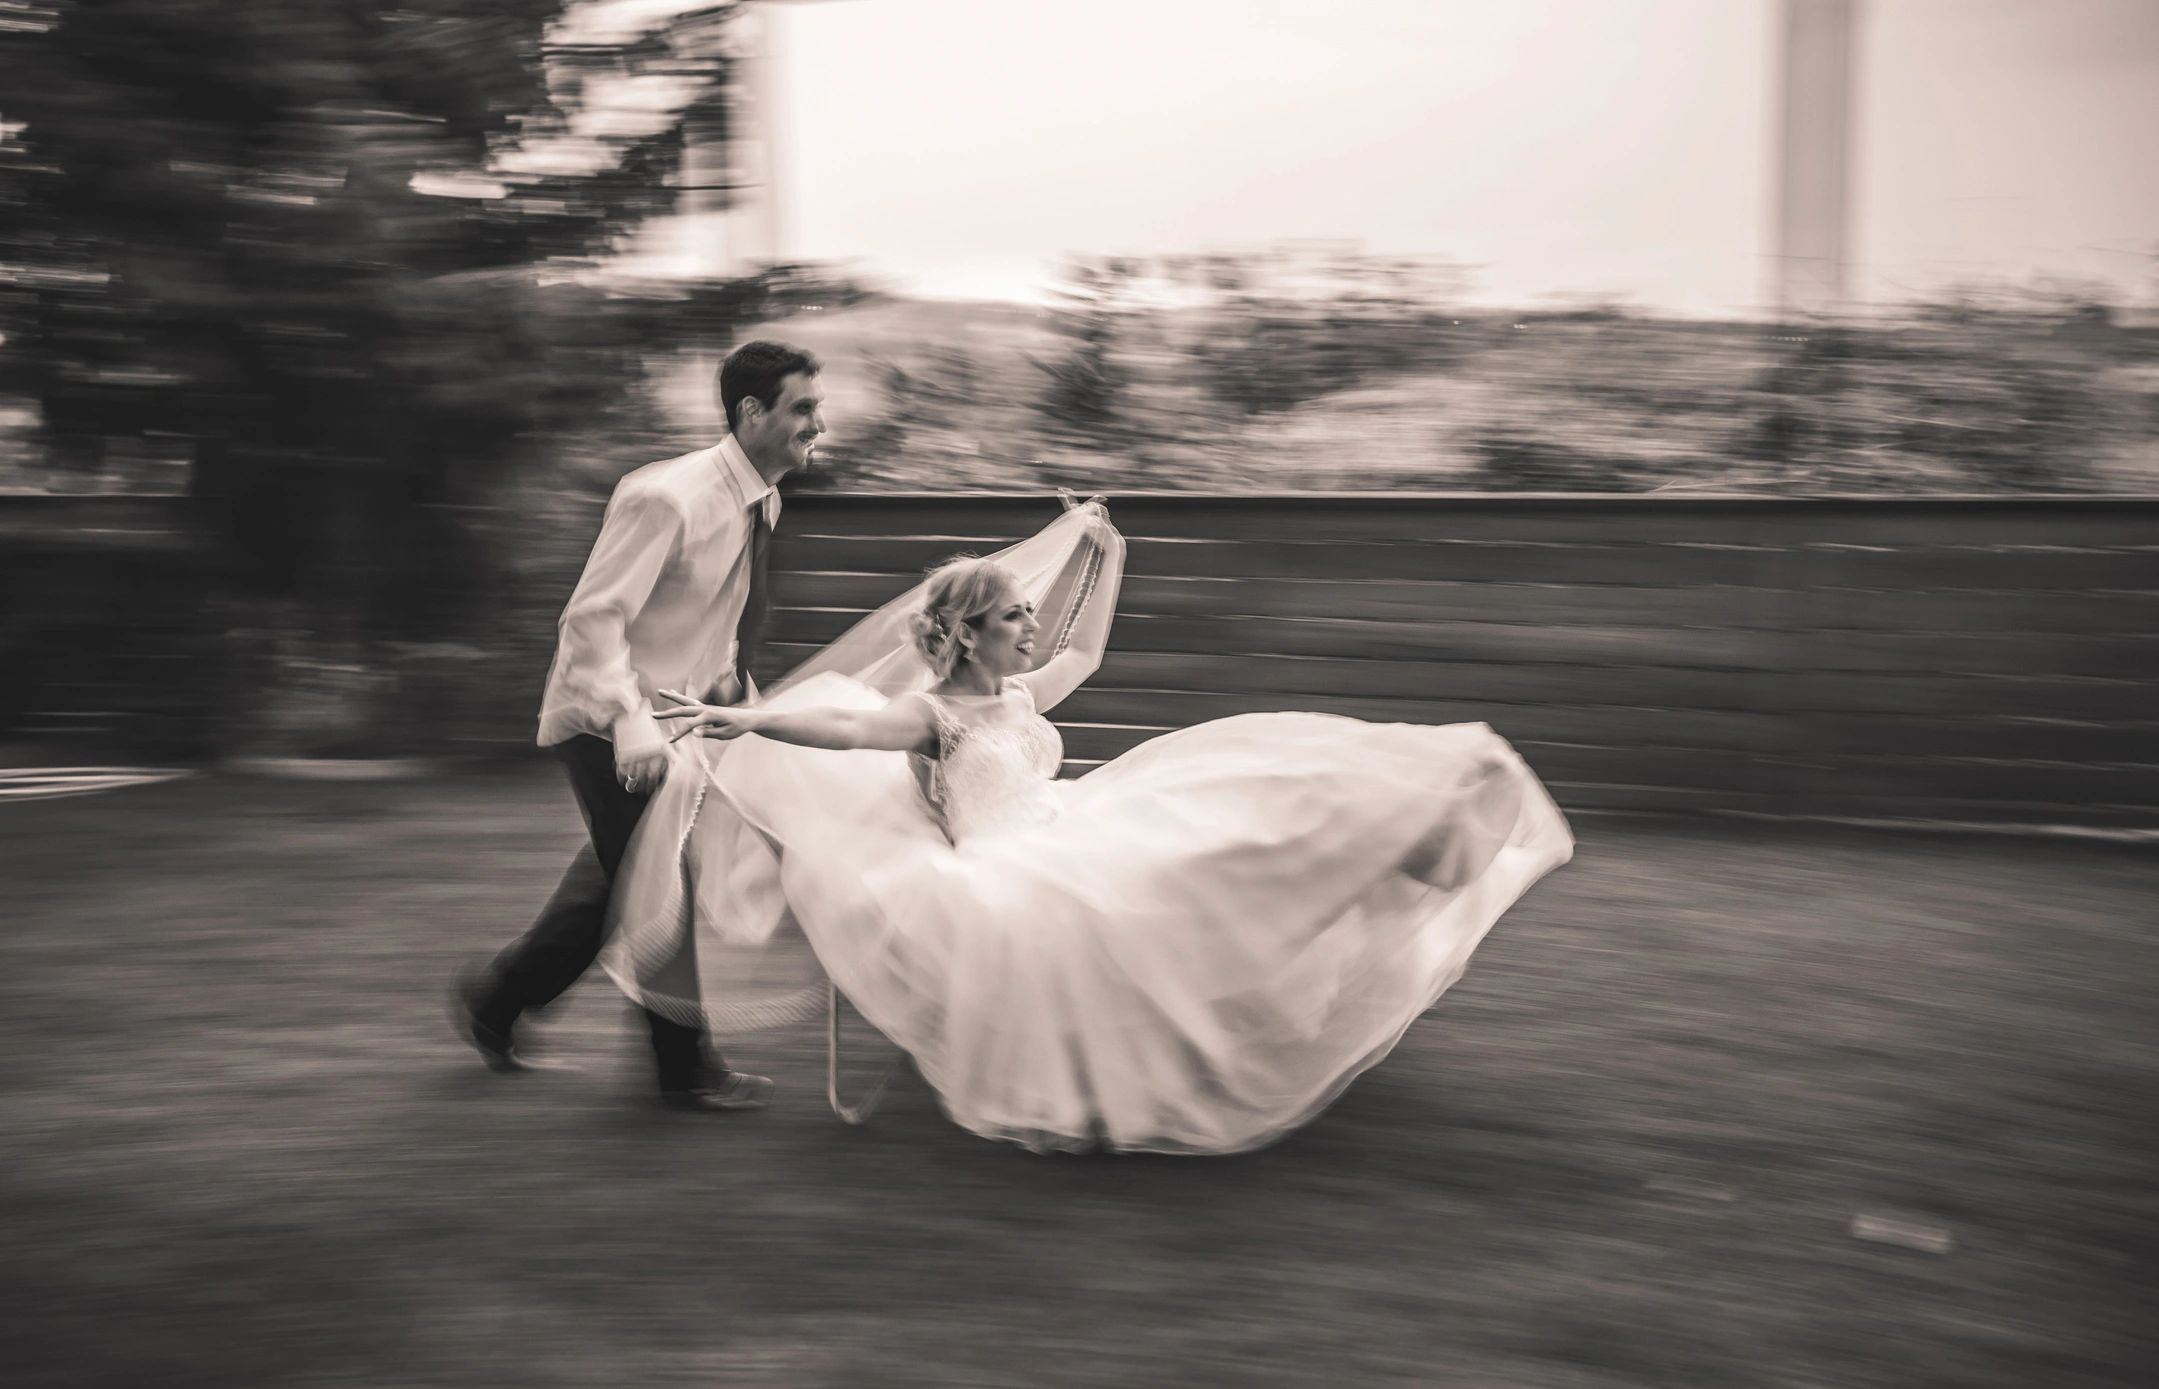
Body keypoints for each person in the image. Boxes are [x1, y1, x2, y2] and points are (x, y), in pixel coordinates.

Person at [616, 500, 1574, 1152]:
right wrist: (745, 717)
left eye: (1025, 614)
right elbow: (847, 725)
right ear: (965, 634)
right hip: (1012, 865)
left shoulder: (1023, 689)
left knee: (1262, 800)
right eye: (1011, 617)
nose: (1028, 628)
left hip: (1070, 819)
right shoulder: (934, 715)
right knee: (1187, 873)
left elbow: (1087, 643)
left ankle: (1429, 831)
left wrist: (1104, 552)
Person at [450, 339, 824, 1112]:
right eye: (802, 408)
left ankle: (494, 999)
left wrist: (725, 689)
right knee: (664, 886)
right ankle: (685, 1070)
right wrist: (628, 720)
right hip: (605, 721)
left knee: (615, 880)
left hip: (676, 718)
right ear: (751, 412)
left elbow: (709, 612)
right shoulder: (667, 497)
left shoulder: (762, 499)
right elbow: (592, 622)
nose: (816, 424)